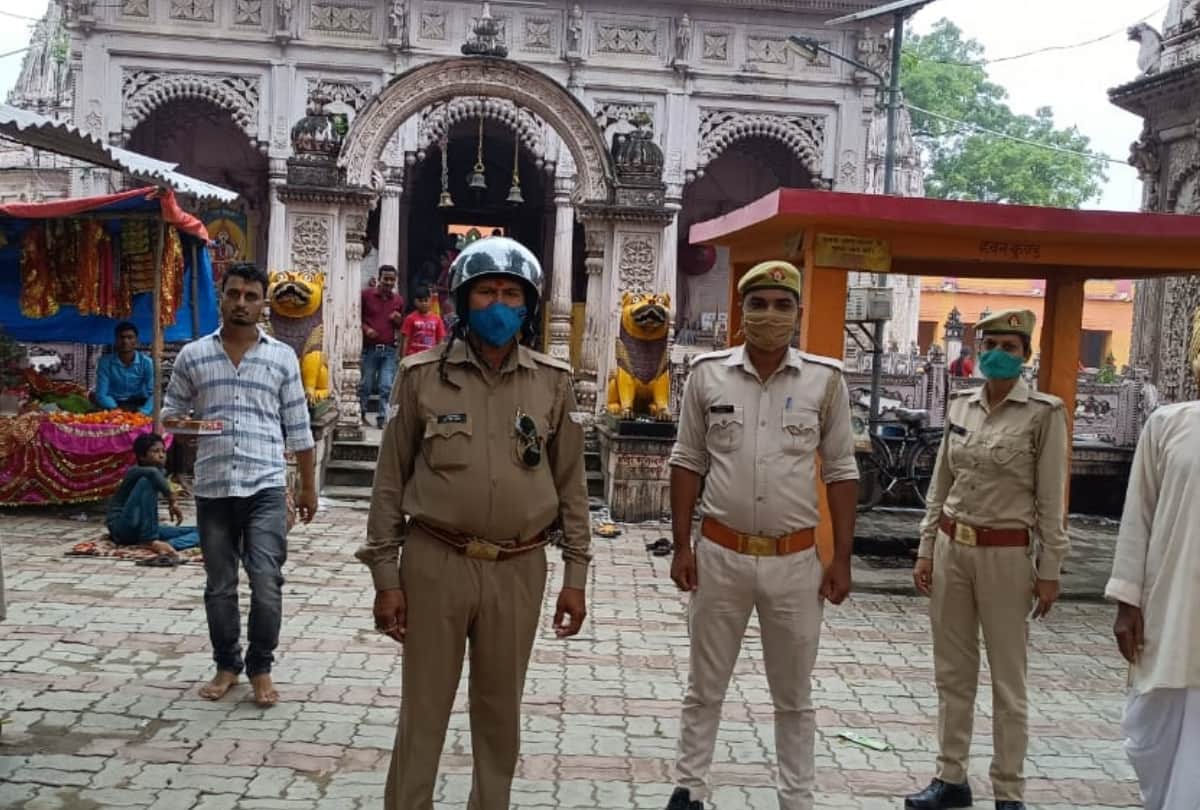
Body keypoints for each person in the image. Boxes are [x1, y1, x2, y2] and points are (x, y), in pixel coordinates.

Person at [358, 236, 591, 810]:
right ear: (463, 301)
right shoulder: (420, 378)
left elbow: (571, 487)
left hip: (519, 566)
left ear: (529, 304)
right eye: (486, 291)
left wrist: (576, 575)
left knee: (499, 710)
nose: (498, 304)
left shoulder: (551, 382)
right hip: (435, 562)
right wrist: (386, 579)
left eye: (512, 293)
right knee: (424, 709)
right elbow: (389, 484)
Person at [664, 260, 859, 810]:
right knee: (705, 685)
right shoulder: (708, 375)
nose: (769, 315)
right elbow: (687, 461)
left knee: (794, 695)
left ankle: (796, 798)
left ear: (797, 314)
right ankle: (689, 787)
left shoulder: (826, 380)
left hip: (795, 561)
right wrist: (683, 545)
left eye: (781, 305)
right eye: (758, 304)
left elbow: (842, 471)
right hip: (719, 553)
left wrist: (841, 559)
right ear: (741, 312)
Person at [906, 308, 1070, 810]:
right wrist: (926, 546)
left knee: (1007, 681)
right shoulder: (961, 406)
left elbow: (1050, 501)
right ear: (977, 351)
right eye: (991, 344)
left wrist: (1049, 571)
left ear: (1026, 355)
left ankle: (1009, 792)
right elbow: (940, 485)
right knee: (952, 673)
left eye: (1010, 347)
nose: (998, 354)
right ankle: (950, 779)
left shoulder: (1044, 414)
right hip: (954, 548)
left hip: (1007, 558)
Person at [162, 261, 317, 708]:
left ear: (263, 303)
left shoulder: (282, 357)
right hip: (212, 487)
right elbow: (170, 416)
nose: (242, 303)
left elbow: (299, 428)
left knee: (266, 580)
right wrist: (191, 425)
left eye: (251, 296)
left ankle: (261, 667)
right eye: (234, 294)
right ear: (223, 296)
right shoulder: (194, 355)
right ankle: (226, 665)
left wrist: (306, 487)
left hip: (265, 485)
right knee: (219, 584)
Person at [1106, 306, 1200, 810]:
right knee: (1152, 728)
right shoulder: (1169, 425)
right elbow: (1137, 517)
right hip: (1171, 606)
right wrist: (1127, 600)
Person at [106, 432, 198, 559]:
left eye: (163, 451)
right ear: (142, 456)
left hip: (142, 529)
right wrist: (172, 499)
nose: (161, 455)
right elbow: (153, 473)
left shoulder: (160, 473)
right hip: (123, 529)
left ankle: (169, 545)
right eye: (155, 451)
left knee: (203, 532)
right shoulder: (135, 471)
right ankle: (150, 540)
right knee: (148, 480)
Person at [360, 264, 405, 428]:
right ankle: (361, 415)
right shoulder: (366, 296)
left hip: (389, 349)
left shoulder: (398, 300)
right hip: (370, 348)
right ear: (379, 278)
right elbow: (356, 317)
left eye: (392, 279)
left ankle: (382, 419)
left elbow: (401, 326)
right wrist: (367, 329)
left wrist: (398, 319)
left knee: (386, 386)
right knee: (366, 385)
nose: (388, 282)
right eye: (386, 278)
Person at [93, 321, 155, 415]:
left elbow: (154, 394)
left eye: (130, 337)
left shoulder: (147, 362)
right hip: (113, 404)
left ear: (136, 340)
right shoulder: (105, 362)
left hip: (139, 403)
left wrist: (143, 412)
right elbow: (101, 394)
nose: (125, 341)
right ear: (116, 340)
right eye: (121, 337)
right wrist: (115, 409)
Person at [398, 285, 446, 358]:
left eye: (426, 300)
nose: (423, 303)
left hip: (430, 357)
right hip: (412, 357)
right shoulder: (410, 318)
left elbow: (440, 341)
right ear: (415, 302)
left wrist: (440, 358)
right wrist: (403, 359)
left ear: (430, 300)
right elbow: (405, 341)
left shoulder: (437, 319)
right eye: (420, 301)